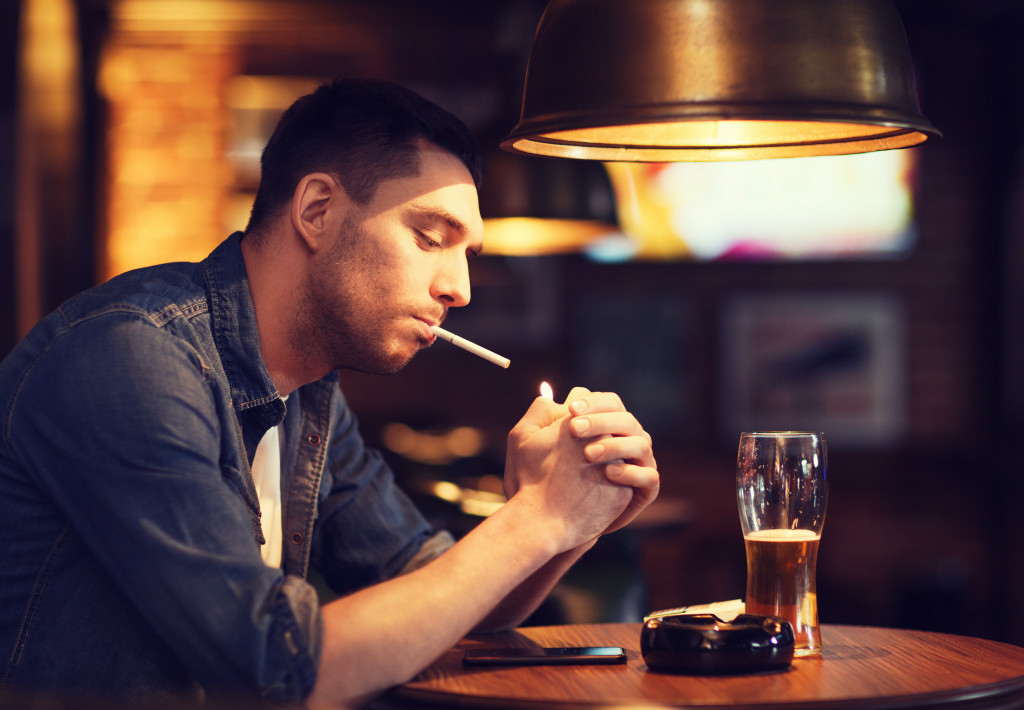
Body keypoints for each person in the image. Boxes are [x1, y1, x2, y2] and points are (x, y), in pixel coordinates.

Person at [0, 79, 659, 709]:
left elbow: (435, 592)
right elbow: (277, 670)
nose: (458, 287)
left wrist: (571, 514)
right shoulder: (130, 357)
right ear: (317, 210)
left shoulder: (309, 389)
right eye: (431, 237)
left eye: (468, 254)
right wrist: (536, 518)